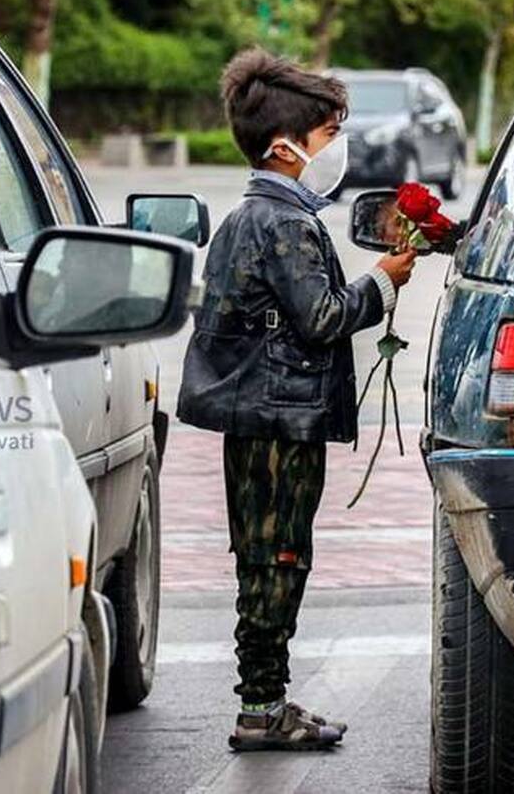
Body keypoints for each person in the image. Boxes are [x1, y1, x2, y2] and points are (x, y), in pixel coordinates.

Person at [176, 48, 418, 751]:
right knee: (277, 557)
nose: (335, 152)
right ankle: (261, 704)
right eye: (326, 139)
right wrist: (383, 281)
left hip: (261, 417)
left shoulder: (258, 214)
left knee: (266, 554)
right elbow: (321, 317)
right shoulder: (283, 223)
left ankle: (266, 696)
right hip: (279, 420)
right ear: (285, 149)